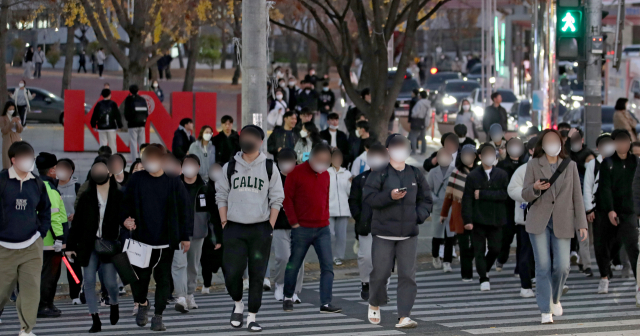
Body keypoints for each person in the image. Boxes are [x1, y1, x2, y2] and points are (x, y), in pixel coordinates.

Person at [215, 125, 284, 332]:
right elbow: (221, 195)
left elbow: (277, 198)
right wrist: (225, 221)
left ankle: (252, 316)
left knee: (257, 274)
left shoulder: (269, 167)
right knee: (231, 273)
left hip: (260, 229)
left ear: (261, 142)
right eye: (245, 136)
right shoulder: (229, 167)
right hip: (234, 228)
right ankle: (238, 303)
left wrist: (270, 225)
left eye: (253, 137)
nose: (248, 140)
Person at [364, 134, 432, 328]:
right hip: (384, 233)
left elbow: (426, 199)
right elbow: (369, 198)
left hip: (408, 234)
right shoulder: (379, 172)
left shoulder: (415, 173)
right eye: (395, 146)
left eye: (403, 146)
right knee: (381, 273)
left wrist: (417, 216)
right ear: (388, 150)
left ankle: (404, 316)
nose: (400, 149)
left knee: (408, 275)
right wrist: (389, 196)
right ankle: (374, 302)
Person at [122, 144, 192, 331]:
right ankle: (143, 303)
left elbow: (184, 209)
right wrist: (125, 220)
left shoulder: (173, 181)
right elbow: (123, 204)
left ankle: (158, 316)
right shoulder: (136, 179)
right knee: (139, 280)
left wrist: (185, 236)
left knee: (163, 280)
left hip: (165, 241)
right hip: (141, 240)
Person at [522, 129, 588, 324]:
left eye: (555, 140)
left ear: (561, 144)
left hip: (563, 219)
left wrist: (581, 224)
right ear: (542, 145)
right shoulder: (533, 164)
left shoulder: (570, 165)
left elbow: (577, 195)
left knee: (562, 266)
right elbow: (525, 194)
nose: (552, 143)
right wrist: (535, 188)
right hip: (539, 219)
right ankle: (545, 310)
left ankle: (555, 298)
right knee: (542, 266)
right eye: (548, 140)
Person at [282, 143, 342, 315]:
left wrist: (325, 217)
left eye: (327, 161)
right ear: (312, 157)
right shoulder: (295, 173)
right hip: (302, 227)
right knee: (294, 263)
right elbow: (287, 200)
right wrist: (294, 223)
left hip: (322, 227)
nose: (323, 164)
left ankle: (326, 302)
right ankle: (287, 296)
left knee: (327, 266)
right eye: (320, 160)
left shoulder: (326, 175)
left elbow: (325, 197)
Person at [0, 142, 51, 336]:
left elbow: (45, 210)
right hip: (4, 246)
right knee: (2, 290)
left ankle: (26, 329)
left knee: (31, 289)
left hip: (31, 244)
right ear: (13, 159)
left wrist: (41, 233)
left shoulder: (36, 183)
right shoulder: (2, 180)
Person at [65, 159, 122, 332]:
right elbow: (77, 224)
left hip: (109, 244)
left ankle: (114, 303)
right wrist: (70, 246)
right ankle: (95, 319)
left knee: (111, 282)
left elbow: (127, 216)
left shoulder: (118, 194)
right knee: (88, 282)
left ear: (109, 173)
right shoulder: (86, 196)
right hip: (88, 245)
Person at [461, 143, 508, 291]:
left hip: (496, 218)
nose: (489, 157)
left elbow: (505, 194)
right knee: (478, 249)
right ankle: (483, 277)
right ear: (480, 156)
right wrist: (467, 220)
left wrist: (482, 194)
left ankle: (485, 268)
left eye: (492, 154)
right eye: (486, 154)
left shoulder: (501, 174)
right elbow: (467, 198)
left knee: (495, 248)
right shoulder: (473, 176)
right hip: (478, 219)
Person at [173, 154, 215, 313]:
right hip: (178, 232)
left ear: (198, 167)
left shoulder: (205, 187)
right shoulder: (175, 184)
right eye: (186, 164)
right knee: (178, 264)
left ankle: (190, 293)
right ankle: (181, 296)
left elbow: (213, 212)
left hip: (198, 232)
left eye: (193, 164)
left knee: (192, 266)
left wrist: (214, 234)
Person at [599, 129, 639, 294]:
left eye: (626, 141)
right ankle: (604, 276)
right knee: (606, 245)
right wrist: (610, 209)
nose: (623, 145)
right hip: (610, 211)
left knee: (632, 246)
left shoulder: (636, 162)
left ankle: (638, 284)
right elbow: (605, 188)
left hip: (630, 211)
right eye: (619, 141)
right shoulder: (607, 163)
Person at [349, 144, 388, 300]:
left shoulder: (391, 178)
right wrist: (359, 216)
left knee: (385, 258)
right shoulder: (360, 179)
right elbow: (353, 200)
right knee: (365, 257)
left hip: (386, 225)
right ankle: (365, 282)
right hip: (366, 224)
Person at [35, 152, 67, 318]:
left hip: (41, 239)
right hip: (50, 241)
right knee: (49, 276)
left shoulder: (37, 184)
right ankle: (44, 306)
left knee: (44, 275)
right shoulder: (50, 189)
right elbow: (54, 216)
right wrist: (60, 238)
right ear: (52, 170)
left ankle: (46, 304)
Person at [507, 137, 539, 297]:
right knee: (526, 252)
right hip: (525, 219)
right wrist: (528, 195)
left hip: (548, 218)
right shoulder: (523, 169)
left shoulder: (553, 168)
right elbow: (511, 189)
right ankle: (525, 285)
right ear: (531, 150)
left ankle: (548, 282)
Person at [441, 144, 478, 282]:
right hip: (459, 214)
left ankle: (469, 259)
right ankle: (466, 274)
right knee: (463, 245)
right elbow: (449, 195)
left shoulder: (479, 173)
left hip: (477, 214)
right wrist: (444, 213)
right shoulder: (456, 173)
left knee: (476, 243)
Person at [272, 149, 304, 303]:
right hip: (279, 223)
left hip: (299, 224)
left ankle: (294, 291)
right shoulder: (274, 177)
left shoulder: (300, 177)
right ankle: (280, 284)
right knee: (283, 257)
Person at [585, 133, 615, 282]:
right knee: (600, 242)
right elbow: (587, 187)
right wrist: (589, 209)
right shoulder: (593, 164)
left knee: (616, 240)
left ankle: (611, 261)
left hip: (617, 207)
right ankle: (604, 271)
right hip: (599, 208)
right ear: (598, 148)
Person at [495, 137, 526, 272]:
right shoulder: (501, 166)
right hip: (506, 206)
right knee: (506, 237)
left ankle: (520, 267)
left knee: (522, 239)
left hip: (521, 205)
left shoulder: (526, 165)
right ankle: (502, 257)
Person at [55, 158, 83, 304]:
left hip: (73, 234)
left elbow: (84, 209)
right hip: (55, 233)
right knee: (53, 267)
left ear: (71, 171)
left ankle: (76, 294)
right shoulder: (52, 187)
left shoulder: (77, 187)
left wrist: (76, 216)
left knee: (72, 265)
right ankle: (47, 298)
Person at [427, 148, 456, 272]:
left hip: (452, 208)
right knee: (437, 235)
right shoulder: (433, 172)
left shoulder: (456, 173)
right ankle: (435, 256)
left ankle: (447, 262)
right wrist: (436, 200)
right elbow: (427, 190)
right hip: (438, 207)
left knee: (450, 236)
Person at [200, 163, 223, 294]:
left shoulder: (227, 188)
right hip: (208, 228)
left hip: (224, 227)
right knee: (206, 260)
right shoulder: (205, 189)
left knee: (225, 259)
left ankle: (228, 283)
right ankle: (206, 284)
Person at [328, 149, 352, 266]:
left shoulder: (347, 174)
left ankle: (338, 256)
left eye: (339, 158)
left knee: (341, 236)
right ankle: (329, 255)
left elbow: (350, 192)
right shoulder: (325, 173)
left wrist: (351, 183)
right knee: (330, 234)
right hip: (329, 209)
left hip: (344, 209)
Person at [91, 89, 123, 155]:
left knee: (103, 144)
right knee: (112, 144)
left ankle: (103, 157)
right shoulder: (113, 104)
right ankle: (113, 157)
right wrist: (119, 125)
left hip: (101, 127)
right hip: (111, 127)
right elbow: (117, 115)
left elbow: (94, 115)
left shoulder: (99, 104)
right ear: (110, 95)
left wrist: (93, 125)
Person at [123, 84, 148, 161]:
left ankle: (135, 159)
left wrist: (128, 120)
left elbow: (126, 112)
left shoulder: (129, 100)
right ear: (138, 91)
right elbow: (146, 112)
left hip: (132, 124)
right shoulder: (142, 99)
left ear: (130, 91)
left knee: (133, 142)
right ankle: (143, 158)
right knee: (142, 142)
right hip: (142, 124)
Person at [0, 102, 24, 169]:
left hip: (16, 137)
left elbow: (20, 130)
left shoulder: (16, 117)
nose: (11, 111)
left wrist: (18, 123)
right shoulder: (2, 118)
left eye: (13, 109)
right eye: (10, 109)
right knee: (8, 158)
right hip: (7, 139)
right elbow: (4, 130)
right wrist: (11, 122)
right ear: (7, 109)